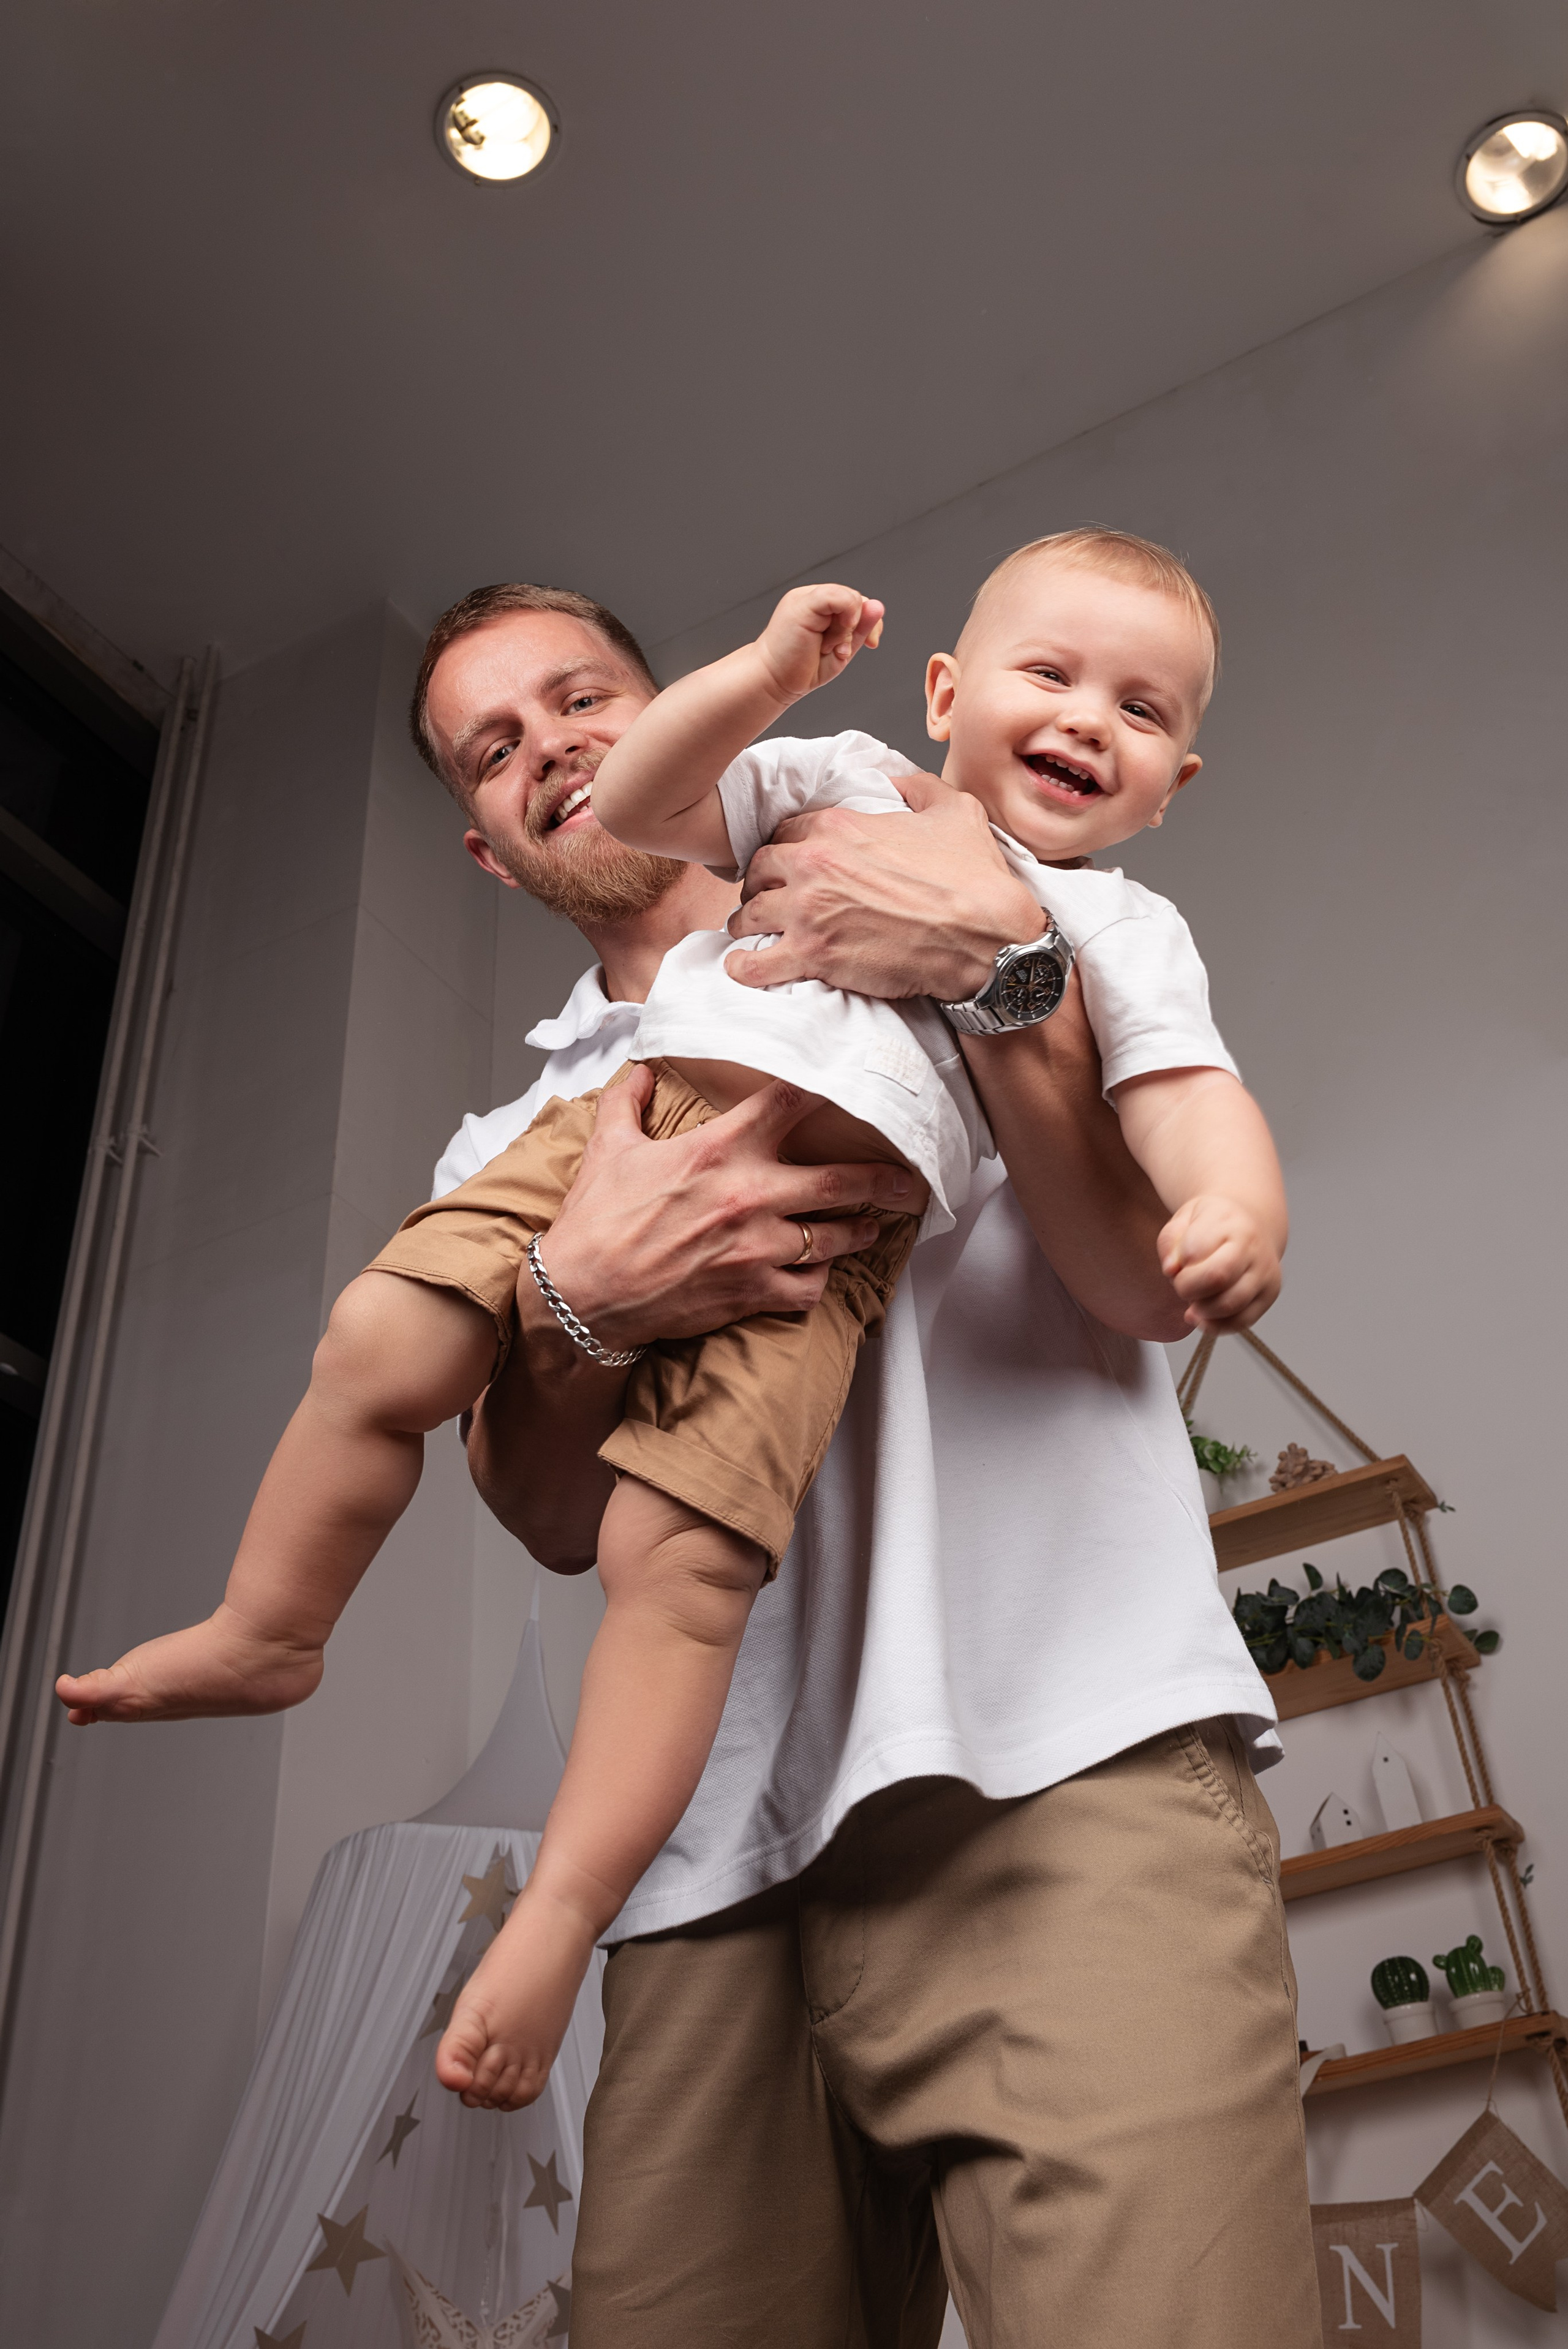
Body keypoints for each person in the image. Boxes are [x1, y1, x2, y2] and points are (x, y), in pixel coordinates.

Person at [59, 567, 1319, 2345]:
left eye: (581, 696)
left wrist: (991, 966)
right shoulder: (517, 1129)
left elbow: (1143, 1270)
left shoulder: (930, 847)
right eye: (488, 751)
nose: (549, 749)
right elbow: (548, 1513)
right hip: (710, 1864)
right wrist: (585, 1294)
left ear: (679, 715)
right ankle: (265, 1626)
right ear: (492, 850)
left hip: (1061, 1762)